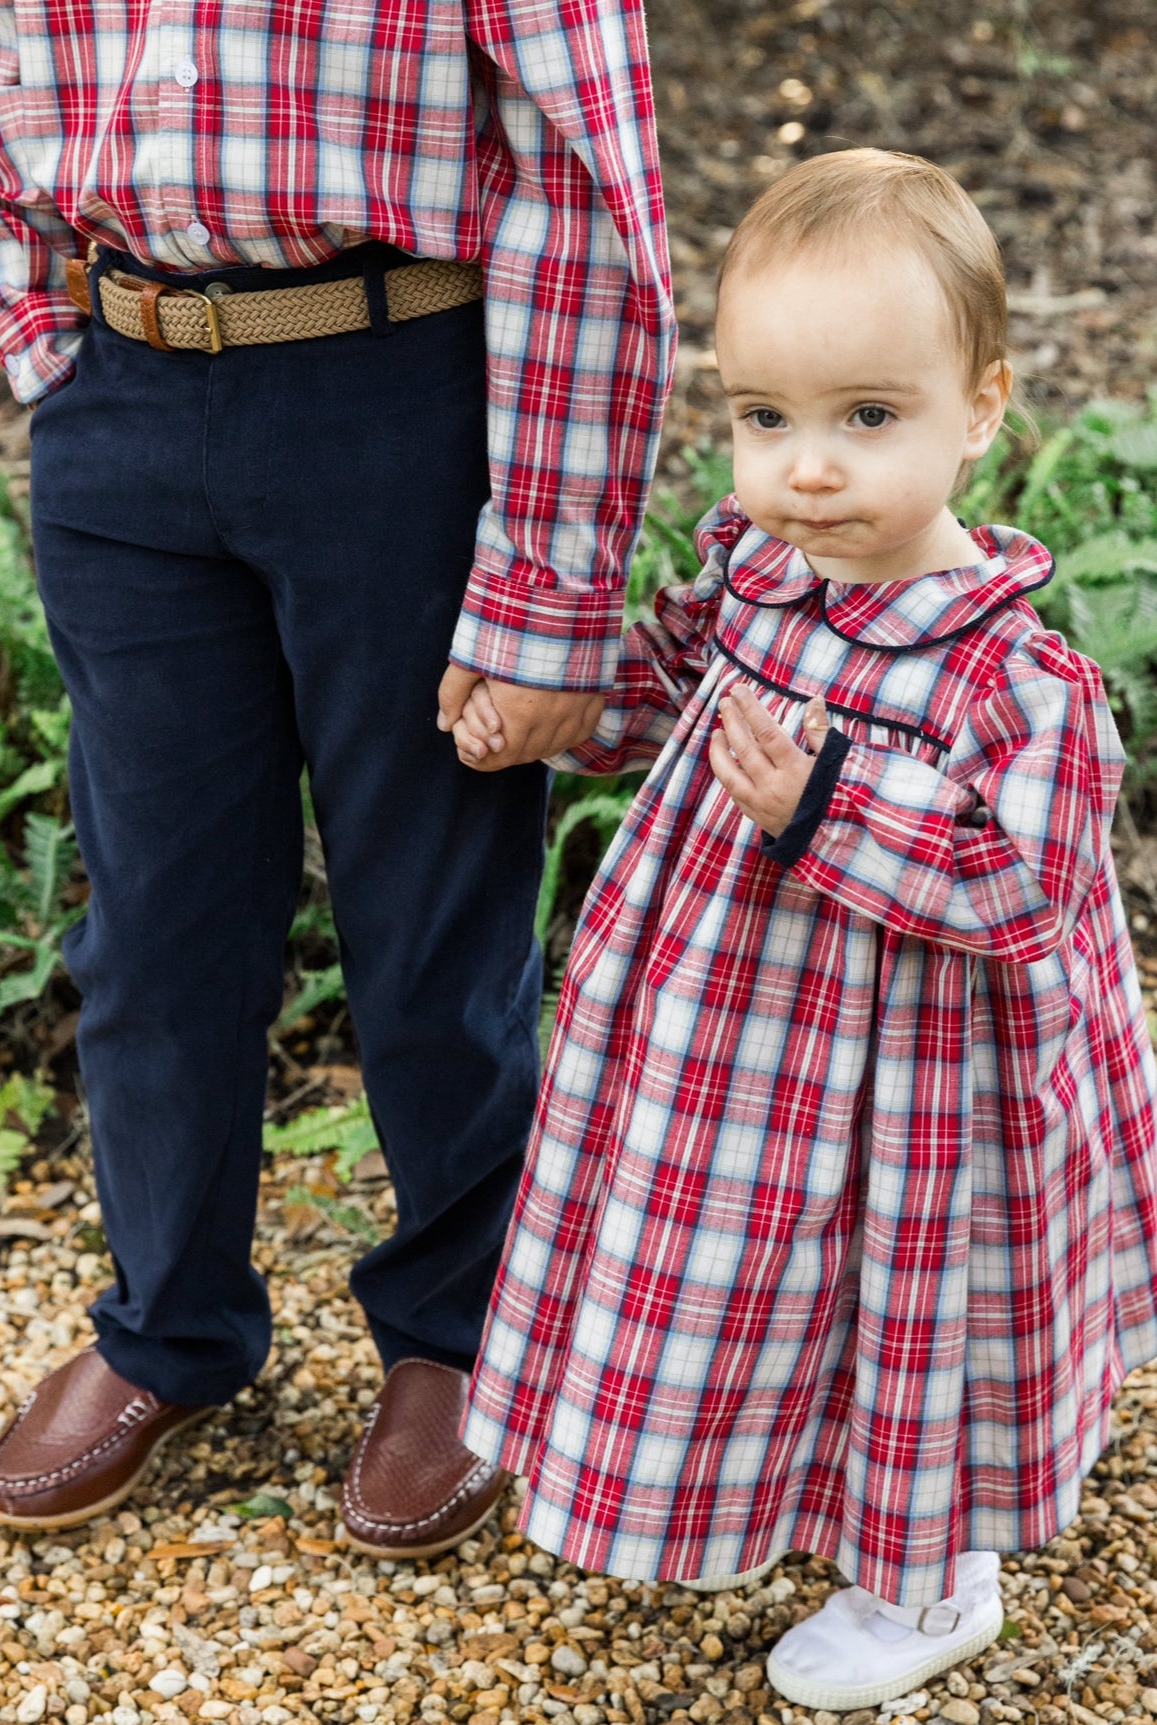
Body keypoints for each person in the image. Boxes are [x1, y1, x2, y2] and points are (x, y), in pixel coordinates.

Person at [456, 148, 1157, 1707]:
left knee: (914, 1297)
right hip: (741, 1053)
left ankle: (931, 1580)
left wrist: (830, 802)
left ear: (982, 407)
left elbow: (1022, 888)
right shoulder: (761, 575)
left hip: (926, 1087)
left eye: (868, 419)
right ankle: (786, 1484)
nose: (809, 469)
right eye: (766, 419)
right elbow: (669, 683)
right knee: (766, 1281)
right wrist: (560, 710)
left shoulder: (1014, 683)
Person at [0, 0, 674, 1554]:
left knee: (430, 906)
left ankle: (458, 1326)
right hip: (126, 397)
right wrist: (43, 336)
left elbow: (579, 175)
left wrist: (552, 589)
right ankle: (172, 1321)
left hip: (398, 391)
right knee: (153, 911)